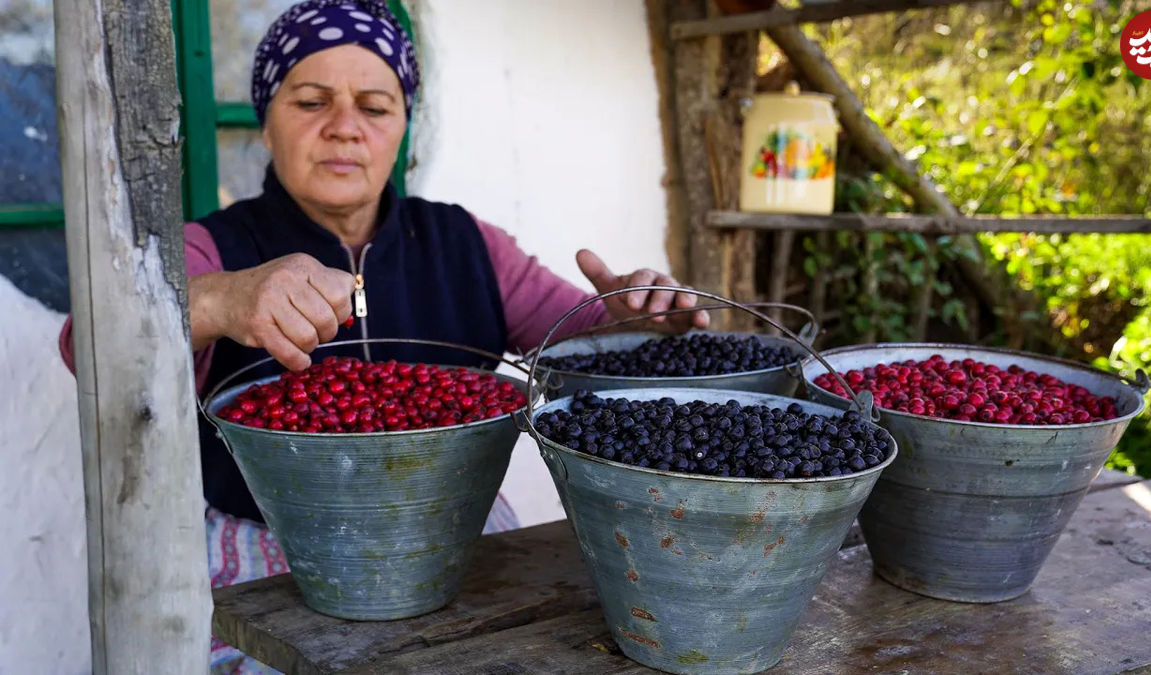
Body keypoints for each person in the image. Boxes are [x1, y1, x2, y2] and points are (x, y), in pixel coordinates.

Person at [57, 0, 706, 671]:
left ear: (402, 128)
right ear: (267, 124)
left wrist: (638, 322)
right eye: (311, 102)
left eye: (375, 105)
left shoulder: (468, 245)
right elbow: (93, 343)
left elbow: (586, 341)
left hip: (464, 538)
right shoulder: (212, 247)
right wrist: (225, 297)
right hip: (273, 555)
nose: (345, 128)